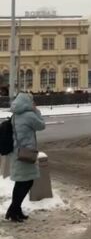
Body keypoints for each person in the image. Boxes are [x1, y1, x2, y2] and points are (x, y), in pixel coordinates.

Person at [5, 92, 45, 222]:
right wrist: (36, 111)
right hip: (26, 153)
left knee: (22, 182)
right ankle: (13, 211)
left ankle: (16, 211)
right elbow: (41, 125)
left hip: (18, 152)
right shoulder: (29, 115)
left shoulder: (15, 116)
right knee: (25, 182)